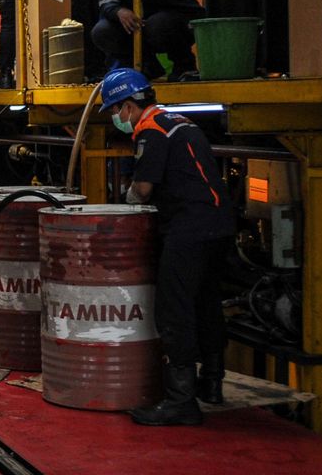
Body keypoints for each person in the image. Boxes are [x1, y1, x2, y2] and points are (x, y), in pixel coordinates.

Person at [98, 68, 235, 426]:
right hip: (219, 225)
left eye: (115, 111)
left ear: (129, 105)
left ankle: (180, 401)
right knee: (206, 301)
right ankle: (212, 383)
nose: (116, 119)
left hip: (188, 228)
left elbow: (142, 190)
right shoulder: (181, 121)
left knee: (174, 310)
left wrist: (123, 205)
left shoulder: (150, 129)